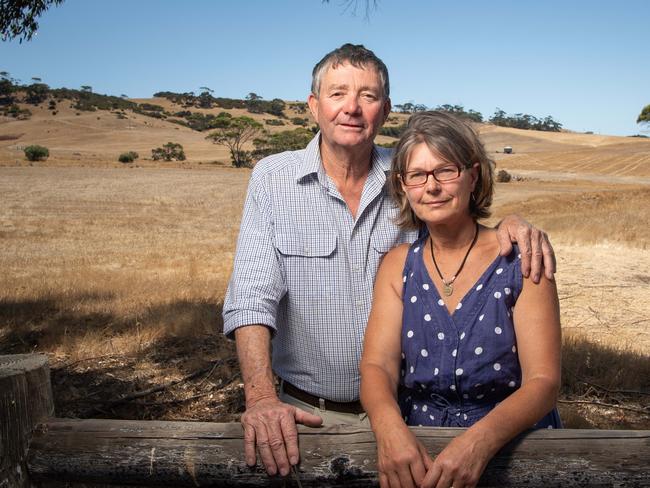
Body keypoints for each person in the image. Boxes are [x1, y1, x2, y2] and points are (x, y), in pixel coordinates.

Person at [222, 43, 557, 478]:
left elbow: (456, 223)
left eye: (368, 95)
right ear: (313, 105)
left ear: (385, 109)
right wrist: (263, 399)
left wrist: (512, 224)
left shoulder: (405, 177)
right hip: (304, 413)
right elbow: (251, 298)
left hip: (406, 414)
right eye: (338, 92)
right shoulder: (272, 179)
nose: (352, 108)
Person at [360, 111, 562, 488]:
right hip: (417, 453)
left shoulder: (522, 258)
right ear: (404, 186)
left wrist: (477, 444)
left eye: (445, 170)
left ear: (474, 175)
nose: (431, 186)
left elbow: (544, 381)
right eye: (416, 175)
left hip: (511, 454)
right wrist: (389, 430)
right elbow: (377, 365)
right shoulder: (397, 265)